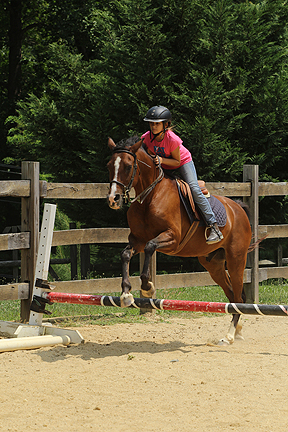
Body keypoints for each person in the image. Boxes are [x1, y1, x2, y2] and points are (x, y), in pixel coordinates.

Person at [141, 105, 224, 244]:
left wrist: (160, 160)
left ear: (165, 124)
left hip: (181, 162)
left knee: (194, 188)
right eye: (151, 123)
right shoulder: (146, 138)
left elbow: (176, 161)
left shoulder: (172, 139)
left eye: (156, 123)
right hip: (162, 165)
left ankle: (214, 226)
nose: (153, 126)